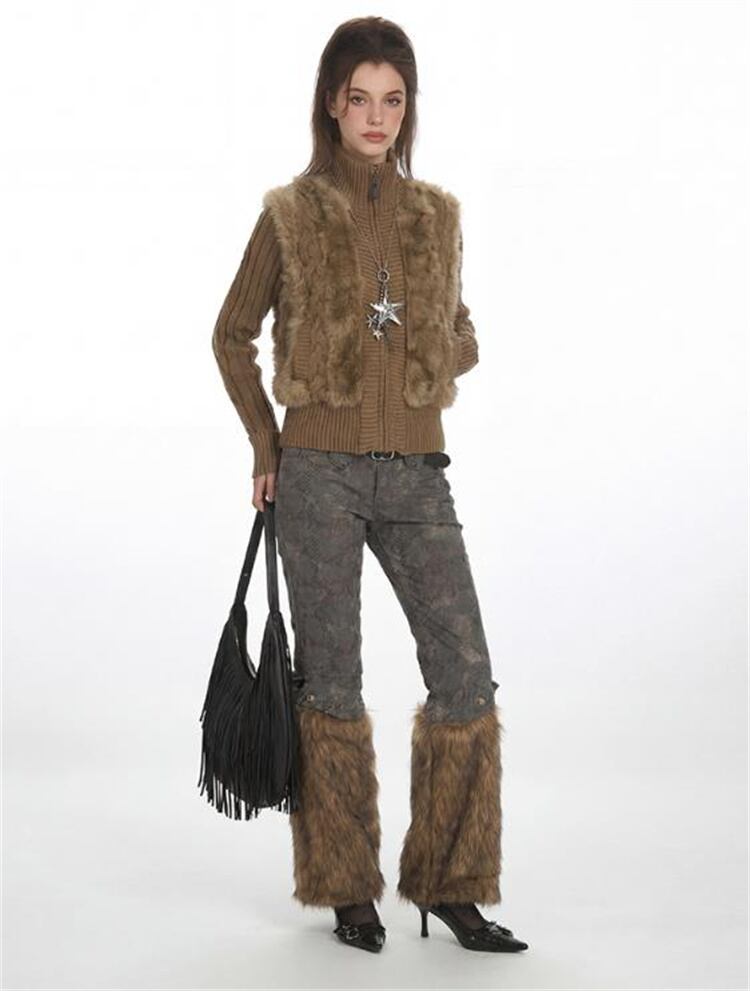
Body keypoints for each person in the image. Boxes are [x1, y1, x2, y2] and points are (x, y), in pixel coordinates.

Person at [211, 16, 528, 955]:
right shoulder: (292, 213)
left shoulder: (436, 215)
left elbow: (461, 328)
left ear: (408, 108)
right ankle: (347, 886)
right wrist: (267, 442)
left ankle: (451, 883)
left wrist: (434, 357)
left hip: (418, 476)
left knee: (464, 670)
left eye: (394, 100)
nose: (377, 116)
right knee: (333, 681)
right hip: (318, 475)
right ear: (332, 103)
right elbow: (231, 334)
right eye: (361, 98)